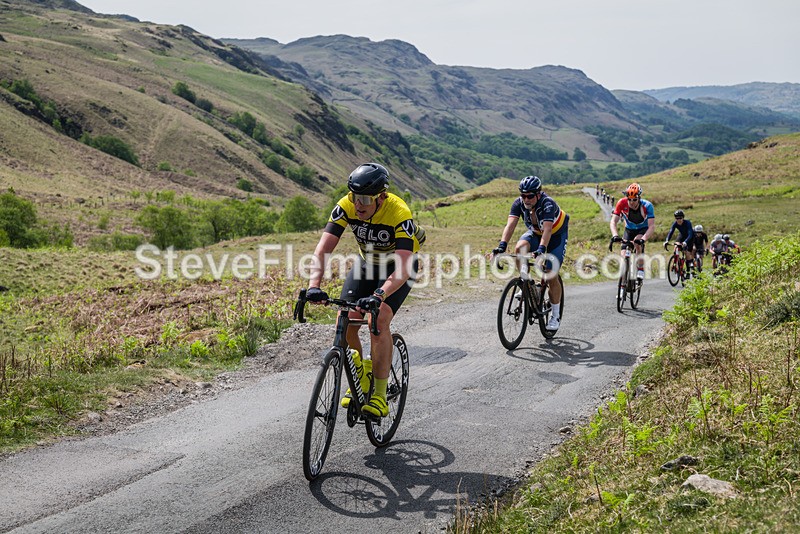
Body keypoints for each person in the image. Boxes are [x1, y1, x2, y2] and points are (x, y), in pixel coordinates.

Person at [305, 163, 425, 418]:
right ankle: (360, 376)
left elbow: (403, 268)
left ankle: (380, 395)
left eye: (364, 199)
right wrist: (314, 285)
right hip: (368, 263)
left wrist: (380, 294)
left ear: (381, 197)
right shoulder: (346, 205)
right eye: (353, 197)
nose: (358, 204)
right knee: (344, 318)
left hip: (398, 267)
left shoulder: (399, 212)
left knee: (378, 318)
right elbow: (323, 248)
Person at [490, 175, 569, 331]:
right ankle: (527, 283)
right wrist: (501, 246)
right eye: (523, 195)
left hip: (555, 236)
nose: (526, 199)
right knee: (519, 249)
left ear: (538, 194)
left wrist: (541, 250)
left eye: (530, 196)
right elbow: (510, 225)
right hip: (536, 233)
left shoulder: (547, 204)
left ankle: (555, 314)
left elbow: (547, 229)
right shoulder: (519, 204)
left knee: (549, 272)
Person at [610, 183, 655, 280]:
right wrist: (615, 235)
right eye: (629, 199)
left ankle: (640, 269)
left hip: (642, 229)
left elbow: (651, 226)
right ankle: (624, 280)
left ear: (639, 198)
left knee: (637, 243)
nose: (632, 202)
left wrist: (643, 239)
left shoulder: (647, 206)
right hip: (629, 229)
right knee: (623, 253)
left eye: (634, 199)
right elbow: (613, 221)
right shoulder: (621, 203)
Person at [664, 209, 696, 274]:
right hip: (681, 235)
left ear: (683, 218)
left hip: (689, 237)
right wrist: (667, 240)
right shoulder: (675, 223)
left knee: (687, 252)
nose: (679, 220)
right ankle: (676, 260)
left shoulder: (687, 223)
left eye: (680, 218)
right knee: (676, 246)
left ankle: (690, 267)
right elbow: (671, 232)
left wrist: (685, 242)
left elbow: (690, 234)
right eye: (677, 218)